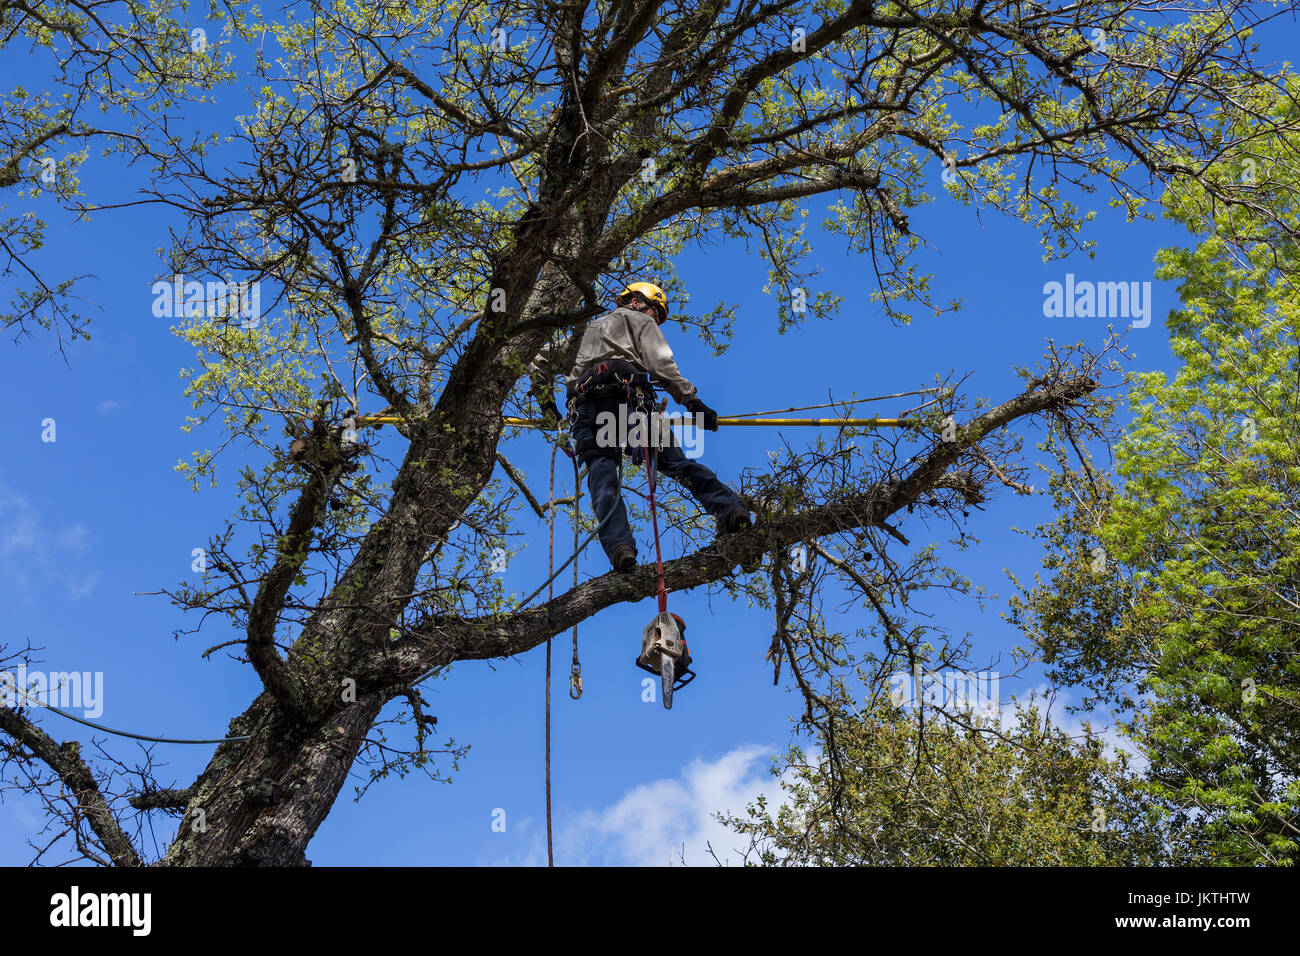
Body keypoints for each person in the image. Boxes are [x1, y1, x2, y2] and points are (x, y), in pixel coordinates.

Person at [528, 281, 753, 572]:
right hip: (630, 400)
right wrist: (693, 403)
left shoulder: (585, 333)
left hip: (587, 408)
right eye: (654, 314)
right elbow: (660, 363)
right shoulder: (637, 319)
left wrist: (547, 405)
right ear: (635, 302)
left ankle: (621, 548)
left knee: (602, 479)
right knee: (678, 465)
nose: (654, 321)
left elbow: (538, 358)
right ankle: (730, 510)